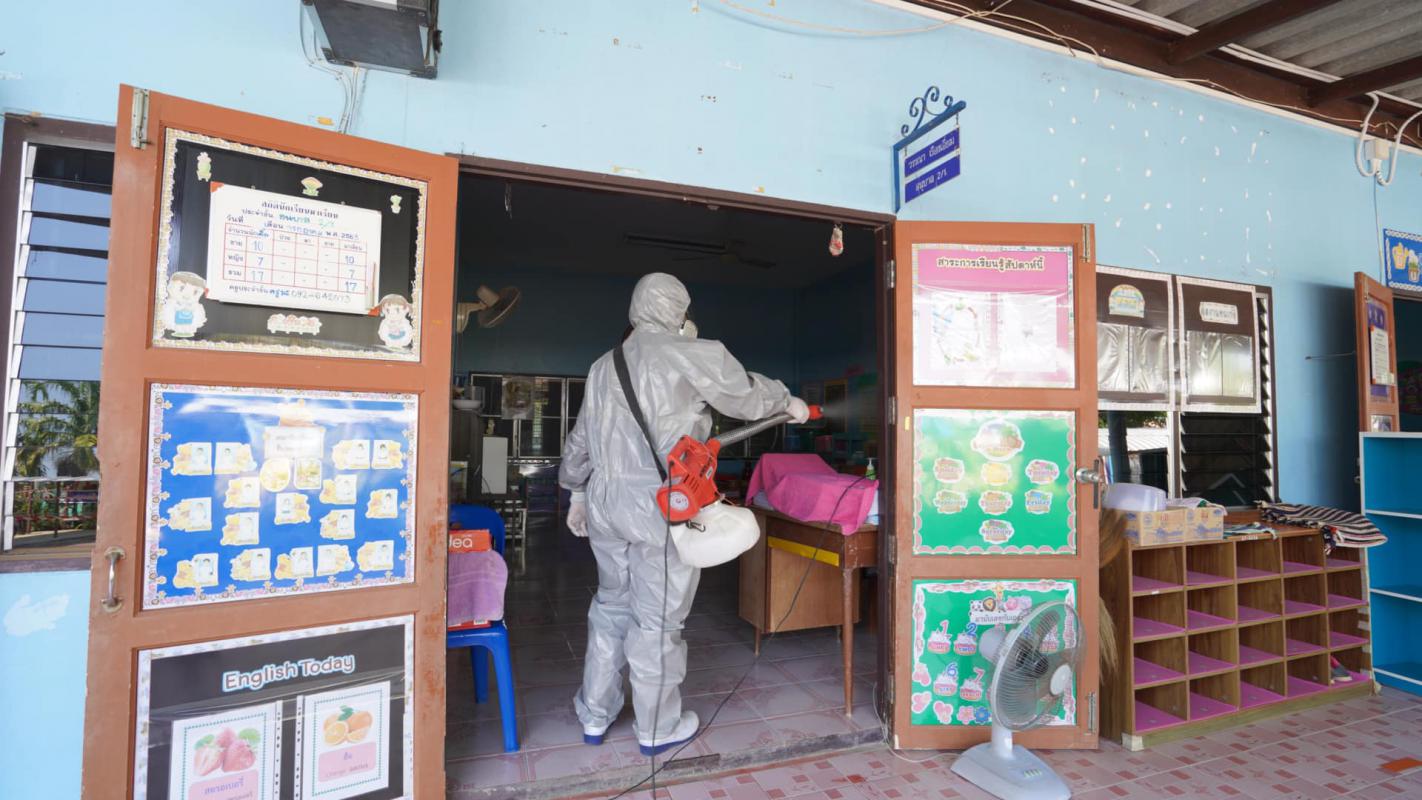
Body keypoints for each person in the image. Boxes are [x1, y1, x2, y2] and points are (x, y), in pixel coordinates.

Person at [560, 273, 809, 755]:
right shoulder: (689, 352)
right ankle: (657, 728)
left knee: (611, 605)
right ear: (678, 309)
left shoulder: (602, 366)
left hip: (606, 502)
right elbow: (744, 395)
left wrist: (575, 491)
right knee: (656, 620)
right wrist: (787, 401)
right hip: (661, 504)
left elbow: (581, 437)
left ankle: (594, 713)